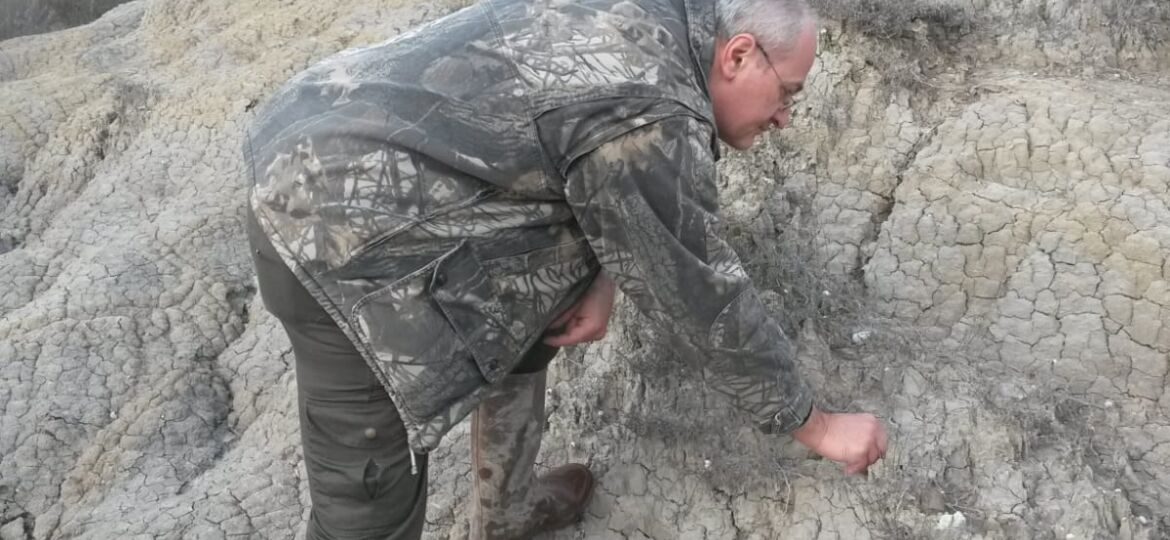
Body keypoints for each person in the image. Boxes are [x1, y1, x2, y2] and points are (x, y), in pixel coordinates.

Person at [243, 0, 888, 537]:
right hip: (324, 219)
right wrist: (818, 425)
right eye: (787, 94)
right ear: (739, 54)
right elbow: (699, 297)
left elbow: (568, 137)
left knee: (540, 296)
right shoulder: (649, 115)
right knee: (367, 499)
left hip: (355, 129)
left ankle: (505, 514)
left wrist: (600, 276)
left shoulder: (664, 22)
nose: (785, 117)